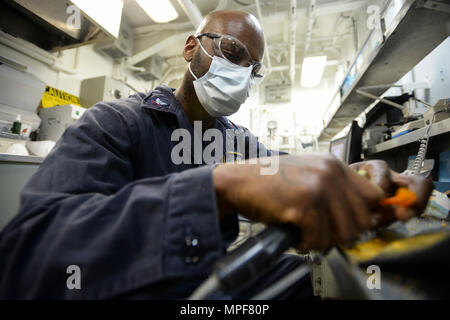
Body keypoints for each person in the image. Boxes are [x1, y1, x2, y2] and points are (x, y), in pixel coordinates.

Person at [0, 10, 432, 299]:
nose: (242, 73)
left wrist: (351, 177)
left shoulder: (238, 142)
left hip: (209, 288)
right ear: (192, 48)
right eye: (232, 52)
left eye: (253, 68)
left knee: (316, 284)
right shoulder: (116, 123)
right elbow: (29, 256)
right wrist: (218, 188)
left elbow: (290, 169)